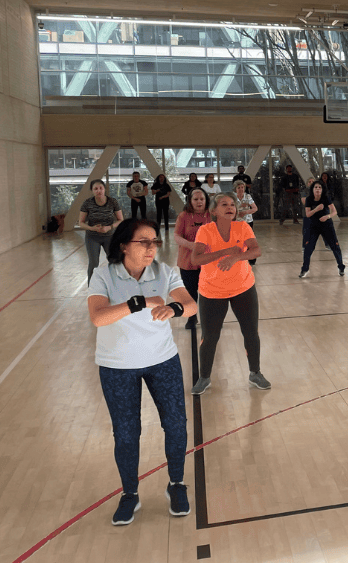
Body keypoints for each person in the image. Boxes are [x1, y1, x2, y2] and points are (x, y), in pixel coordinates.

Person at [86, 218, 198, 525]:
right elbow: (98, 317)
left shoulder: (166, 272)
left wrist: (174, 308)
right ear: (124, 245)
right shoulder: (103, 275)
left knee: (176, 425)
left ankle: (176, 484)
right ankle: (130, 494)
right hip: (116, 366)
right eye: (143, 242)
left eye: (154, 242)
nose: (151, 249)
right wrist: (139, 302)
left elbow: (190, 304)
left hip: (163, 360)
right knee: (125, 434)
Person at [189, 193, 267, 394]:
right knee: (210, 337)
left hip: (243, 288)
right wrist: (225, 253)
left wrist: (236, 257)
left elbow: (256, 251)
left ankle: (255, 372)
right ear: (213, 211)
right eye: (224, 204)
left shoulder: (243, 227)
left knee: (251, 333)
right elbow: (196, 259)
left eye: (232, 204)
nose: (230, 207)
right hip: (212, 291)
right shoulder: (206, 230)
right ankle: (204, 377)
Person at [174, 187, 210, 329]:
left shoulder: (211, 215)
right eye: (196, 199)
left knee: (209, 293)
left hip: (208, 262)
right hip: (187, 262)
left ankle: (209, 319)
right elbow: (177, 236)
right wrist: (191, 245)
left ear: (206, 200)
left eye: (202, 199)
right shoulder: (183, 216)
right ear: (190, 201)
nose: (199, 202)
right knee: (190, 292)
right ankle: (192, 317)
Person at [78, 179, 124, 282]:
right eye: (95, 189)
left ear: (104, 189)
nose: (98, 191)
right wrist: (92, 228)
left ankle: (117, 285)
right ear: (92, 191)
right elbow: (80, 222)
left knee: (114, 261)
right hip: (92, 237)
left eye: (100, 188)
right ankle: (92, 289)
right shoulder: (87, 203)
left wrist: (110, 227)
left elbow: (121, 220)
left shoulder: (113, 202)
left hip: (110, 237)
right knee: (94, 263)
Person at [300, 180, 346, 278]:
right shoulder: (309, 199)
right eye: (315, 187)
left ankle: (341, 267)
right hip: (313, 226)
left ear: (322, 190)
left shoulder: (326, 198)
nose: (317, 189)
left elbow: (334, 212)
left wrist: (327, 216)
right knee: (308, 248)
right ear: (312, 189)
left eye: (319, 187)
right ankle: (305, 269)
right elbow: (308, 214)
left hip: (327, 225)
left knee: (335, 246)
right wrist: (316, 209)